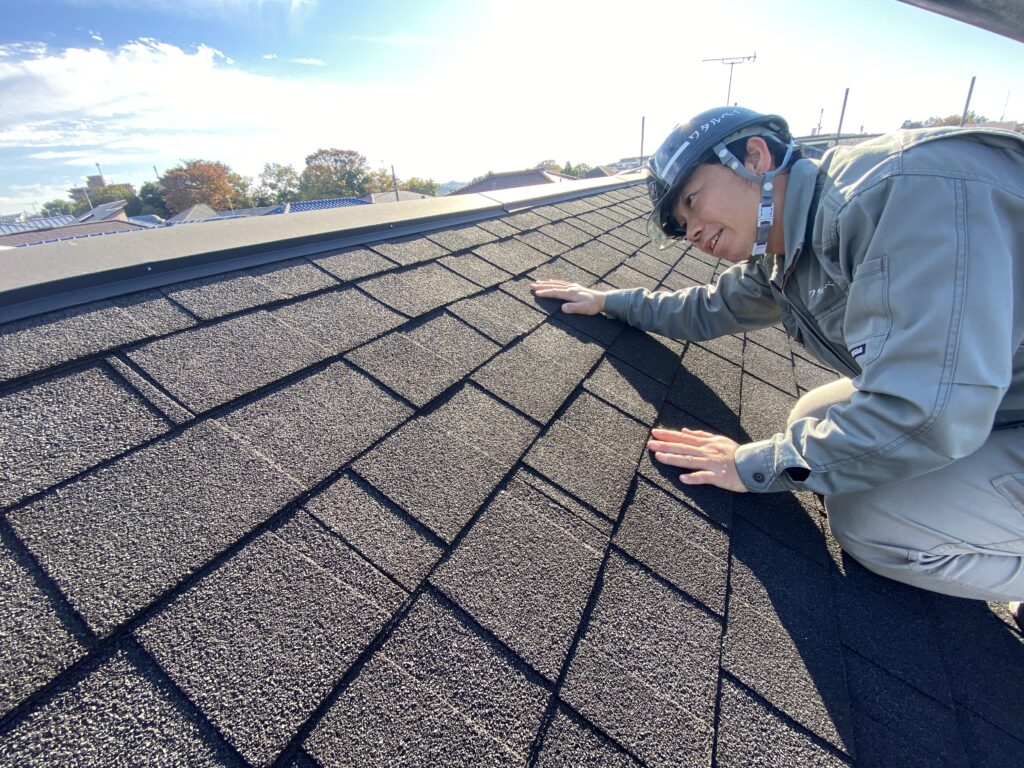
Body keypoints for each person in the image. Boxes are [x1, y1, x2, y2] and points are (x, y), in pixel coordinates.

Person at [531, 106, 1024, 617]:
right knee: (812, 416)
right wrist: (607, 301)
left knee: (867, 521)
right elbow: (706, 308)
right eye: (682, 226)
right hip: (996, 397)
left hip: (978, 407)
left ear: (755, 156)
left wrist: (748, 466)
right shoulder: (786, 249)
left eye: (693, 201)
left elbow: (930, 414)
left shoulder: (896, 200)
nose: (693, 233)